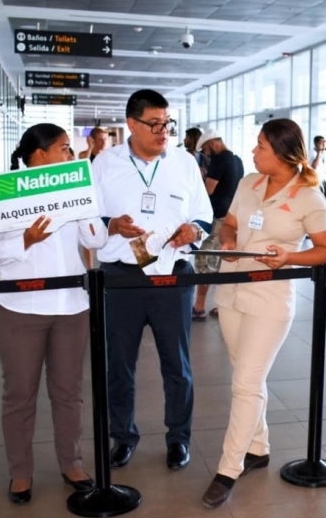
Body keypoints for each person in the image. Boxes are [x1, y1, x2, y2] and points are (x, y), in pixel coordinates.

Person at [201, 118, 326, 509]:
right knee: (245, 375)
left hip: (269, 299)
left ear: (280, 151)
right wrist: (227, 241)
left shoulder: (309, 195)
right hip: (231, 292)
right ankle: (258, 447)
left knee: (245, 382)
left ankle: (229, 468)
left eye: (260, 145)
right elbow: (230, 224)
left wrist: (290, 257)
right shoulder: (248, 184)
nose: (254, 151)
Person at [0, 123, 105, 504]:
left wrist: (86, 206)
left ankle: (72, 463)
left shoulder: (76, 187)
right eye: (64, 148)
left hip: (71, 307)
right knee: (19, 394)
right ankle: (20, 473)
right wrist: (24, 240)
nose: (70, 154)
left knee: (68, 392)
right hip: (20, 309)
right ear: (40, 154)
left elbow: (95, 240)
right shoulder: (5, 193)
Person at [93, 89, 212, 470]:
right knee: (119, 364)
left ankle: (179, 438)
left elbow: (204, 218)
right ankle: (123, 436)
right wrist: (112, 225)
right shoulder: (104, 164)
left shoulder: (184, 162)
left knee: (177, 365)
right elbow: (87, 220)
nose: (164, 132)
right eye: (155, 124)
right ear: (132, 123)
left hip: (172, 279)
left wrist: (192, 231)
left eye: (168, 124)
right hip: (120, 278)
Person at [192, 129, 244, 320]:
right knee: (223, 263)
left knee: (205, 261)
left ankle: (198, 307)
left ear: (213, 143)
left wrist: (200, 177)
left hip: (215, 218)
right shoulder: (237, 160)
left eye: (206, 150)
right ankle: (222, 306)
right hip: (230, 218)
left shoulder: (220, 160)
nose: (206, 155)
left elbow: (209, 190)